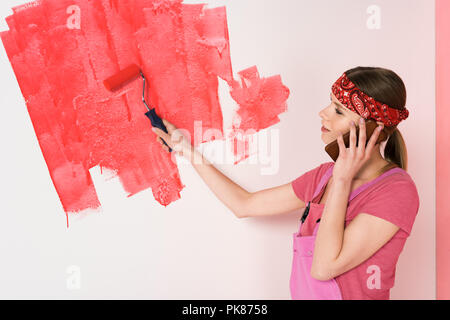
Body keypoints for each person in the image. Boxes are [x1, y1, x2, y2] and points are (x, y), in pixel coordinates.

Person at [151, 66, 420, 300]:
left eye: (338, 111)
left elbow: (324, 267)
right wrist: (187, 150)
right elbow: (244, 205)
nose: (322, 113)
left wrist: (342, 180)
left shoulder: (396, 191)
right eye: (329, 103)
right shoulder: (323, 176)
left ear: (371, 128)